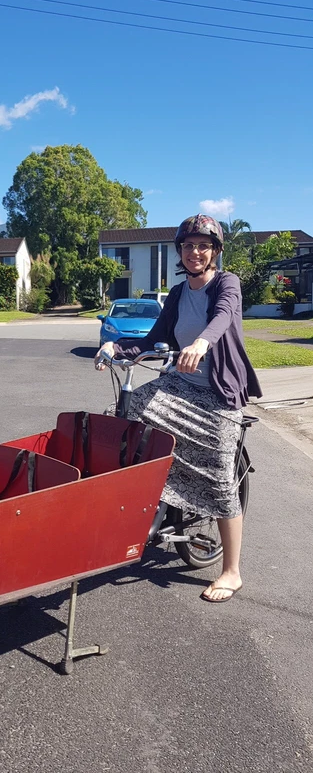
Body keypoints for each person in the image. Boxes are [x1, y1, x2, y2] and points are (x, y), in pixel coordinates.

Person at [95, 214, 262, 603]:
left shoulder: (227, 284)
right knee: (126, 415)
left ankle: (232, 572)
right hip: (181, 384)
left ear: (215, 251)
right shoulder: (176, 293)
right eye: (188, 246)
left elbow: (223, 317)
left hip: (219, 393)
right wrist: (114, 347)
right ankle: (147, 499)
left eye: (203, 245)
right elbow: (152, 340)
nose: (195, 252)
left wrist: (202, 343)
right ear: (180, 251)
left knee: (219, 476)